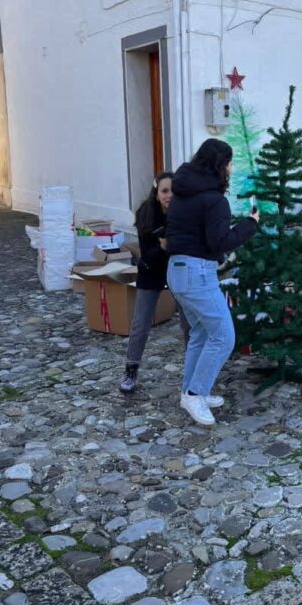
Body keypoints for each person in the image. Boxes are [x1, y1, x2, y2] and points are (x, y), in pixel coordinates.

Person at [166, 139, 259, 426]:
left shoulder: (183, 191)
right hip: (197, 274)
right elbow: (220, 242)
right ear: (221, 165)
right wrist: (251, 224)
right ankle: (195, 394)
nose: (232, 168)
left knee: (200, 333)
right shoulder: (215, 200)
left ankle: (191, 391)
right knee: (224, 336)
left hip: (177, 270)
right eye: (230, 162)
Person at [119, 172, 190, 393]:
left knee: (188, 322)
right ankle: (131, 369)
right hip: (151, 272)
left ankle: (193, 371)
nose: (169, 196)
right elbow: (146, 258)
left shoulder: (186, 213)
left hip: (178, 273)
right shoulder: (146, 215)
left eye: (173, 191)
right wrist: (162, 247)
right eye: (165, 191)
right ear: (156, 193)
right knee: (141, 323)